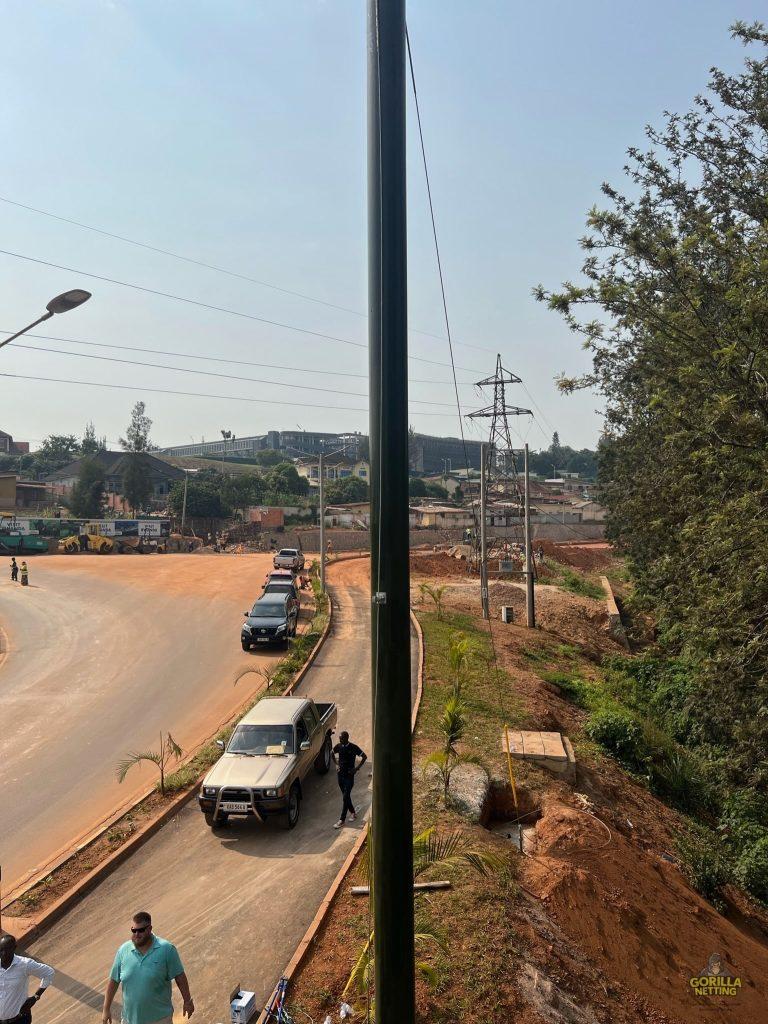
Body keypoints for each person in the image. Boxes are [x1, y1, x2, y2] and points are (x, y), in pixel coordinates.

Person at [102, 911, 194, 1024]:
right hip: (129, 1020)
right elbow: (113, 981)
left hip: (160, 1019)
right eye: (133, 930)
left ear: (149, 929)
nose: (136, 934)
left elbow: (180, 977)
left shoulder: (166, 949)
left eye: (140, 930)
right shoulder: (123, 951)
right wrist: (106, 1009)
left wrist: (187, 1001)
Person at [0, 933, 55, 1023]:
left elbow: (49, 973)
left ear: (14, 948)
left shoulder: (24, 964)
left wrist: (36, 996)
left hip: (20, 1020)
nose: (3, 953)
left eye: (7, 950)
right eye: (1, 950)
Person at [332, 731, 367, 828]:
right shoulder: (338, 746)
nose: (339, 740)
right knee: (345, 796)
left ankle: (341, 820)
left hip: (349, 776)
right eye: (339, 738)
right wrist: (336, 764)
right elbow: (332, 753)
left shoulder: (353, 747)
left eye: (341, 738)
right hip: (340, 775)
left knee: (345, 797)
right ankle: (353, 812)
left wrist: (356, 768)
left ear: (347, 738)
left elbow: (364, 756)